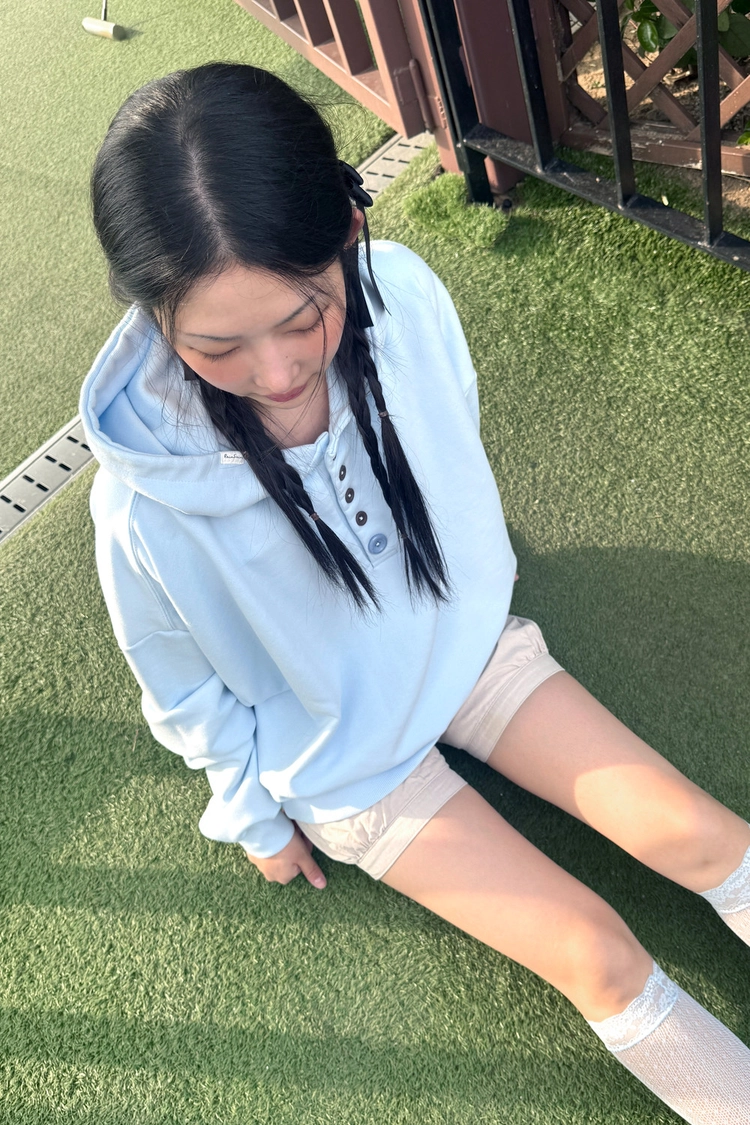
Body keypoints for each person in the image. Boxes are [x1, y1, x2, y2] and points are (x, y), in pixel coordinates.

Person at [79, 61, 750, 1124]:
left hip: (474, 654)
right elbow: (178, 682)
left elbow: (453, 440)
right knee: (598, 954)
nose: (275, 372)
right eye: (216, 345)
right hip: (353, 767)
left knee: (708, 838)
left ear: (348, 233)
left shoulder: (407, 297)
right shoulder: (140, 506)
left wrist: (463, 588)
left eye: (301, 316)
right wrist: (252, 815)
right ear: (158, 321)